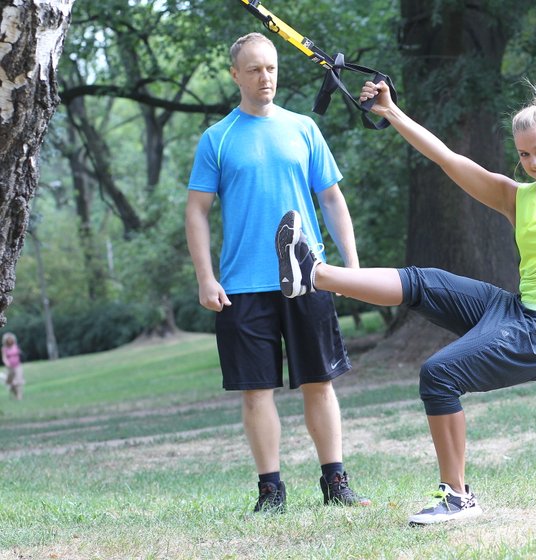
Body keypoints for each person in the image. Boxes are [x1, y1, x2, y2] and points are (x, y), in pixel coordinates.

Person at [275, 80, 536, 525]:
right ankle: (314, 275)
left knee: (439, 374)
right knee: (424, 281)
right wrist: (392, 112)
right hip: (517, 310)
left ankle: (457, 498)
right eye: (524, 155)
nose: (533, 163)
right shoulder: (518, 196)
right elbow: (447, 158)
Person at [185, 32, 369, 514]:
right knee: (255, 392)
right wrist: (206, 277)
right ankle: (271, 492)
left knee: (319, 382)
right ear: (235, 75)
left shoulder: (303, 128)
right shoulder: (217, 139)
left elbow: (331, 198)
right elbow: (197, 212)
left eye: (271, 67)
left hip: (309, 276)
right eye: (254, 69)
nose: (265, 77)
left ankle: (336, 483)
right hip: (242, 285)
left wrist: (350, 266)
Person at [2, 332, 25, 400]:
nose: (10, 340)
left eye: (11, 339)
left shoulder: (16, 346)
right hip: (9, 367)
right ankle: (16, 394)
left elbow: (19, 354)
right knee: (10, 382)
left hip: (17, 366)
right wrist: (7, 363)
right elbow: (4, 357)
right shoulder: (4, 348)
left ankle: (19, 396)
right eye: (8, 339)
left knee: (19, 381)